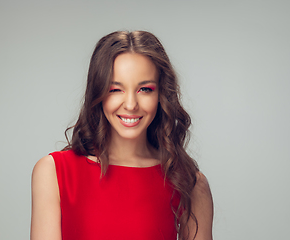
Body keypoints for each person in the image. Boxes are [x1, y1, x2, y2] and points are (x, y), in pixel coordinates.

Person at [31, 30, 213, 240]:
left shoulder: (189, 183)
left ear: (161, 94)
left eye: (144, 89)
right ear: (98, 93)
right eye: (115, 89)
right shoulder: (54, 172)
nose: (130, 105)